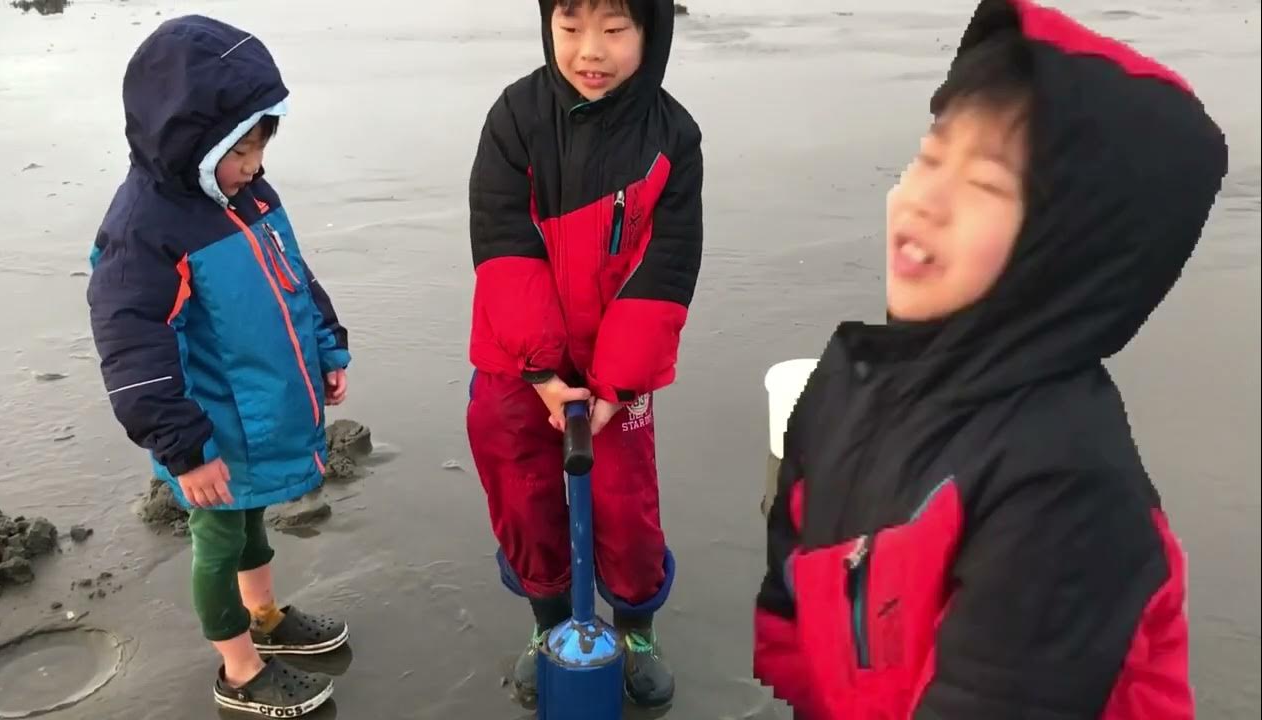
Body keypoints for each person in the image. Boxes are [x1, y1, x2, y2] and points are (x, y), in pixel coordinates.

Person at [752, 0, 1227, 717]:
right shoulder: (850, 380)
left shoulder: (1065, 488)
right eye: (929, 156)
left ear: (1067, 256)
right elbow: (794, 572)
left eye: (984, 187)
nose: (927, 199)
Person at [87, 16, 352, 717]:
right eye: (241, 151)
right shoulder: (145, 228)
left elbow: (294, 274)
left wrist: (328, 345)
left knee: (252, 519)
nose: (256, 165)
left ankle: (264, 618)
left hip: (261, 408)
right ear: (190, 143)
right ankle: (238, 668)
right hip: (208, 423)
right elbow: (130, 343)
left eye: (262, 145)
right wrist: (183, 447)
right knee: (218, 535)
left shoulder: (249, 197)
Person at [465, 0, 702, 707]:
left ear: (651, 31)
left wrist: (616, 382)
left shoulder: (672, 137)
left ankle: (634, 628)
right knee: (524, 495)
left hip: (614, 374)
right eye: (570, 28)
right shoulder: (514, 118)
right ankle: (548, 624)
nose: (589, 51)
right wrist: (539, 370)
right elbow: (503, 241)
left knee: (625, 504)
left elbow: (666, 265)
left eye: (615, 29)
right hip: (516, 364)